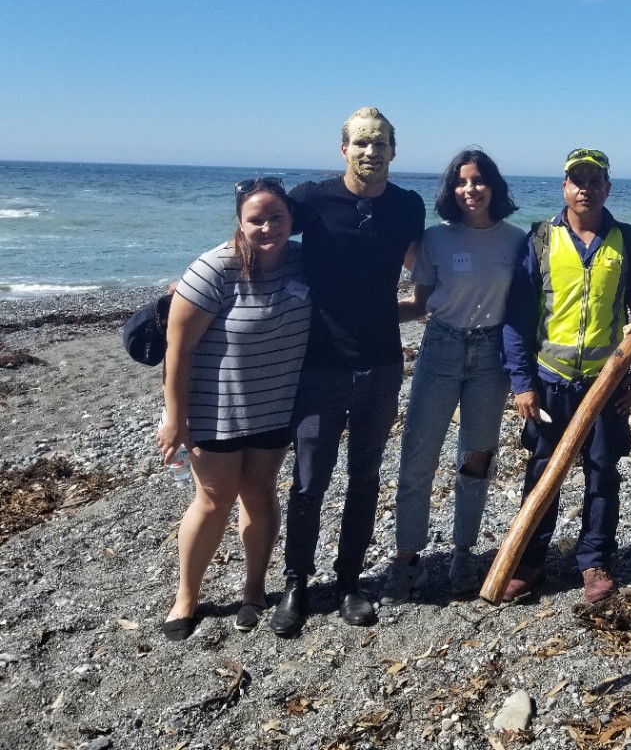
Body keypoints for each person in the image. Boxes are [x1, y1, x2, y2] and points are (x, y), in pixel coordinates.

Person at [270, 107, 426, 636]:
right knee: (310, 482)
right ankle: (296, 582)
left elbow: (419, 266)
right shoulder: (311, 200)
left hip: (382, 365)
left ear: (393, 151)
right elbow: (261, 231)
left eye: (380, 143)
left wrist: (430, 301)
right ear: (343, 150)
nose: (370, 152)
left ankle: (350, 580)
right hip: (320, 367)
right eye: (360, 142)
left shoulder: (408, 206)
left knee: (364, 479)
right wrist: (204, 284)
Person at [157, 177, 311, 640]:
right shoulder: (217, 267)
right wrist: (174, 418)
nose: (268, 227)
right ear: (240, 222)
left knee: (260, 494)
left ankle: (254, 590)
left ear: (291, 219)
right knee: (212, 500)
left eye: (277, 217)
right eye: (256, 219)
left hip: (276, 406)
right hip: (215, 408)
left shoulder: (306, 262)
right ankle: (186, 596)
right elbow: (177, 347)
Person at [500, 149, 631, 604]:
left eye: (594, 179)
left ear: (608, 187)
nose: (584, 187)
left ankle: (595, 563)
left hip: (604, 383)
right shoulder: (541, 238)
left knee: (603, 474)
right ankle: (529, 561)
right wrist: (522, 382)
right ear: (564, 186)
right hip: (550, 381)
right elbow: (517, 317)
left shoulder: (624, 239)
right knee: (543, 471)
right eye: (576, 179)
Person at [381, 149, 524, 604]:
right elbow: (420, 303)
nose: (470, 189)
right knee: (417, 453)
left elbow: (528, 307)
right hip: (441, 346)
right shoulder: (434, 240)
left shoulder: (518, 241)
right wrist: (364, 315)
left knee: (476, 456)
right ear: (451, 189)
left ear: (493, 187)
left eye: (479, 180)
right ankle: (407, 559)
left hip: (491, 355)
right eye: (462, 182)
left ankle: (464, 551)